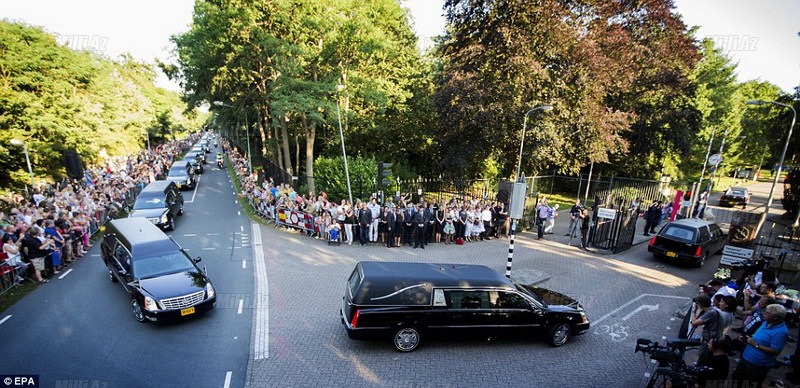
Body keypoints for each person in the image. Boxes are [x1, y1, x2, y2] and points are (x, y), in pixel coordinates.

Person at [731, 304, 790, 386]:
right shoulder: (766, 322)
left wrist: (756, 345)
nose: (763, 314)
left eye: (767, 313)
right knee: (737, 377)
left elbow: (776, 351)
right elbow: (758, 335)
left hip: (758, 363)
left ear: (775, 317)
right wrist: (747, 338)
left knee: (750, 383)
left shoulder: (781, 332)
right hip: (746, 357)